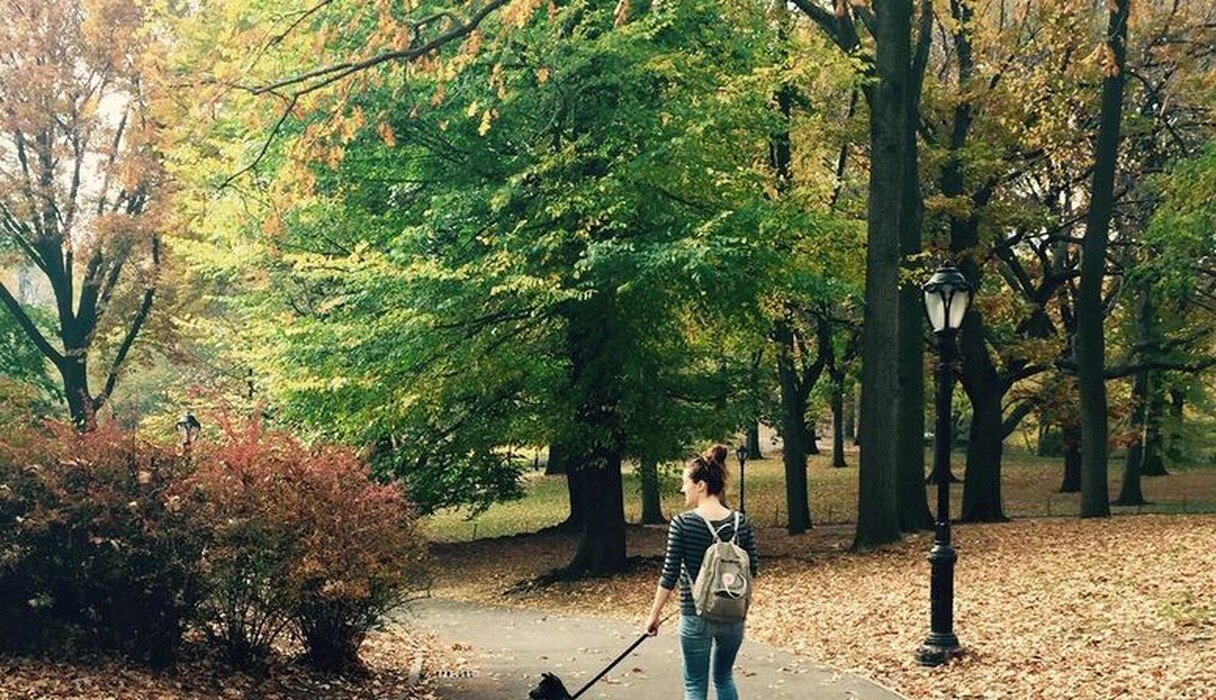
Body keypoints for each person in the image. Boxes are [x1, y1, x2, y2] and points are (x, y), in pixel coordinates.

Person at [643, 444, 760, 700]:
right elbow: (752, 569)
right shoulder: (741, 522)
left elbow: (670, 574)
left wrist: (654, 615)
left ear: (701, 485)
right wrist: (740, 609)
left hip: (694, 614)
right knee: (724, 678)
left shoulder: (683, 523)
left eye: (685, 483)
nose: (682, 488)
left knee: (695, 685)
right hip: (733, 615)